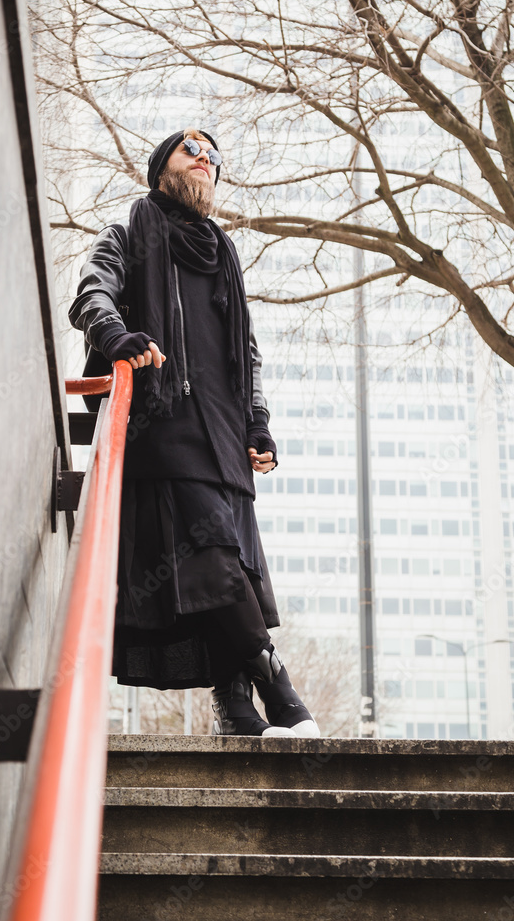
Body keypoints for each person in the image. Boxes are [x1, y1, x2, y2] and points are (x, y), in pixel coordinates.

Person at [68, 127, 319, 737]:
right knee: (216, 560)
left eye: (213, 156)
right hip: (163, 429)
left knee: (232, 572)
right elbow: (91, 295)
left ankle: (235, 709)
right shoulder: (128, 234)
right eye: (191, 149)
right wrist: (116, 336)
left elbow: (246, 354)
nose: (205, 159)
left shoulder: (222, 255)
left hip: (225, 440)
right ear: (162, 168)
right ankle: (277, 687)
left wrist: (258, 423)